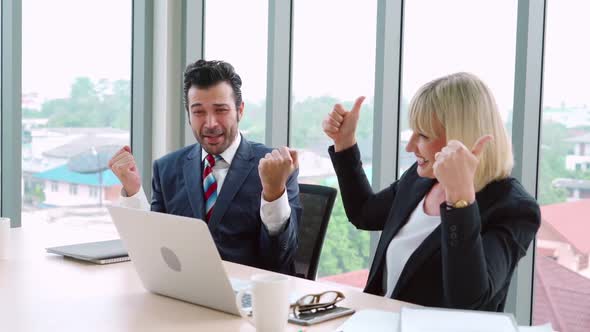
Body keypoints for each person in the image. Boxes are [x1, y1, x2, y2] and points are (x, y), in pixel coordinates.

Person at [322, 72, 540, 311]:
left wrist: (460, 200)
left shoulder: (513, 208)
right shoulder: (421, 179)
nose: (410, 146)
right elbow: (364, 213)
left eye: (423, 135)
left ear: (460, 138)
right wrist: (344, 144)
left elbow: (468, 298)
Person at [109, 59, 301, 274]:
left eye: (221, 110)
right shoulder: (166, 169)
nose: (210, 123)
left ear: (240, 110)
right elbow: (154, 250)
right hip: (186, 293)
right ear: (189, 115)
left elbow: (280, 260)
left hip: (249, 297)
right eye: (199, 112)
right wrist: (133, 191)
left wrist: (273, 193)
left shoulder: (276, 169)